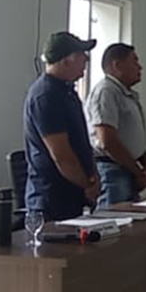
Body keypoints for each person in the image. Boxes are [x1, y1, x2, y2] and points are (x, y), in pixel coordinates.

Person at [23, 31, 100, 221]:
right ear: (66, 61)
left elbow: (80, 141)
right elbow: (62, 155)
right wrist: (88, 185)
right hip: (52, 202)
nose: (86, 59)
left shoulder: (66, 91)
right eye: (82, 54)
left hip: (72, 195)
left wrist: (92, 177)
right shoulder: (46, 96)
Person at [85, 43, 146, 207]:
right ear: (117, 65)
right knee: (116, 219)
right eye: (134, 61)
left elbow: (131, 134)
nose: (140, 67)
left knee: (133, 219)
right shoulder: (106, 92)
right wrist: (137, 171)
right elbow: (107, 142)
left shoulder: (126, 94)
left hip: (129, 168)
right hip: (113, 171)